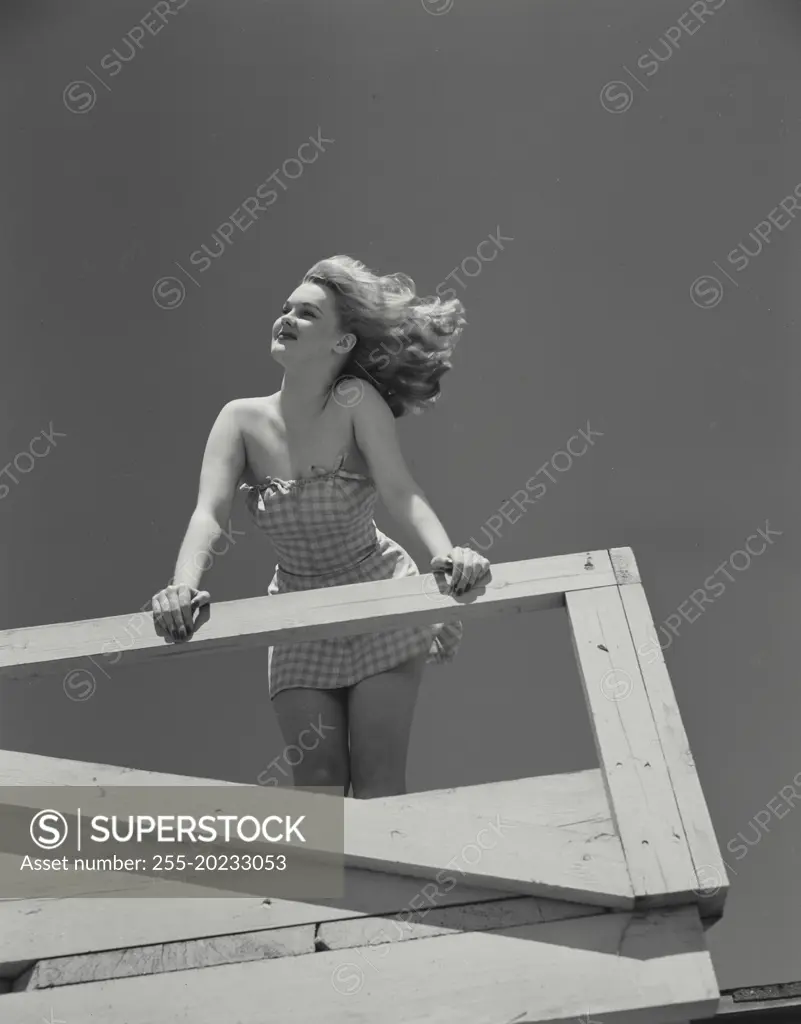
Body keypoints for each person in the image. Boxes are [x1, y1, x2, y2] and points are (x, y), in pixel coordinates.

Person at [150, 255, 490, 798]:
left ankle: (398, 884)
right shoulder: (239, 419)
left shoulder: (355, 402)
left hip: (377, 595)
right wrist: (182, 586)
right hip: (298, 610)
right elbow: (207, 514)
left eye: (307, 314)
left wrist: (449, 555)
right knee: (319, 788)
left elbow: (401, 490)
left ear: (342, 343)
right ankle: (325, 888)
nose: (286, 318)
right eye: (285, 308)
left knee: (379, 782)